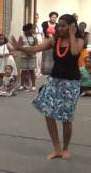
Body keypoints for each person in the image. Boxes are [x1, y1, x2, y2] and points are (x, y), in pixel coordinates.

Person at [11, 14, 84, 160]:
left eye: (64, 25)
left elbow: (75, 52)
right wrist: (21, 47)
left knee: (66, 118)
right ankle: (57, 148)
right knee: (48, 114)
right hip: (54, 81)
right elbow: (36, 48)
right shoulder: (54, 40)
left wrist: (71, 34)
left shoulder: (79, 40)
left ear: (71, 27)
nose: (60, 28)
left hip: (71, 83)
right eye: (59, 25)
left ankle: (65, 148)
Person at [18, 23, 38, 91]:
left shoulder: (34, 37)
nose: (32, 30)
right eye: (24, 31)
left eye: (31, 29)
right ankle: (22, 85)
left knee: (32, 70)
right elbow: (19, 47)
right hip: (23, 56)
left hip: (32, 56)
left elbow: (36, 47)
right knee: (23, 70)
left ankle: (33, 86)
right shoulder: (21, 37)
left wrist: (31, 53)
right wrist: (27, 52)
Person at [35, 13, 44, 77]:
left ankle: (39, 72)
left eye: (37, 17)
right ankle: (35, 72)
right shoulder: (32, 25)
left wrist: (43, 42)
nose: (36, 19)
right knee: (35, 58)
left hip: (40, 42)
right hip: (35, 43)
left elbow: (42, 34)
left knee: (39, 58)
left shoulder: (40, 25)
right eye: (35, 17)